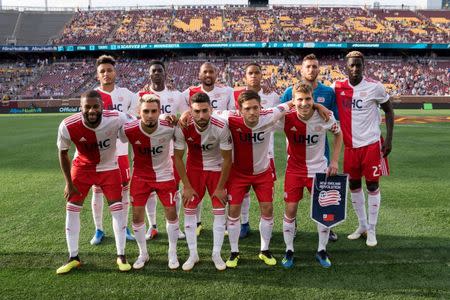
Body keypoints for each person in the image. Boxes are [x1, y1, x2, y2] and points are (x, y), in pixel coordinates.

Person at [213, 90, 293, 268]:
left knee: (268, 208)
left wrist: (318, 106)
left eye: (255, 107)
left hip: (262, 172)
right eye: (247, 108)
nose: (252, 112)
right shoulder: (230, 118)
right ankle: (234, 252)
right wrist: (186, 113)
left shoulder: (270, 115)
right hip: (238, 174)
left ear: (260, 107)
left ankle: (264, 250)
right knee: (233, 211)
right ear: (239, 110)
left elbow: (291, 104)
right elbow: (208, 112)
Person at [56, 90, 133, 274]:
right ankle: (73, 257)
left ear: (102, 107)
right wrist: (68, 182)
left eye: (95, 106)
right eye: (87, 107)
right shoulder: (68, 125)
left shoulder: (117, 117)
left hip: (109, 167)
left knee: (117, 209)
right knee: (72, 208)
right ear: (80, 108)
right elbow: (63, 152)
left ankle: (121, 255)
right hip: (82, 168)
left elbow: (139, 125)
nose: (91, 110)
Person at [275, 83, 343, 269]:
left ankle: (322, 250)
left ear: (313, 99)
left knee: (323, 212)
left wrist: (334, 161)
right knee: (290, 210)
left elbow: (339, 135)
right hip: (294, 171)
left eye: (308, 99)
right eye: (299, 99)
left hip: (319, 170)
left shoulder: (324, 115)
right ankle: (289, 250)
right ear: (293, 100)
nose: (304, 103)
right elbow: (267, 117)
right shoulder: (285, 117)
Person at [331, 51, 394, 247]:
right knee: (354, 186)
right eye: (352, 65)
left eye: (359, 65)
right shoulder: (338, 87)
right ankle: (362, 226)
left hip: (371, 146)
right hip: (350, 147)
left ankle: (372, 230)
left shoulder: (375, 87)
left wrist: (389, 139)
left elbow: (389, 111)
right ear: (346, 67)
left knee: (373, 186)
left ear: (363, 66)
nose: (355, 69)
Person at [280, 54, 339, 242]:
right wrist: (315, 104)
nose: (311, 70)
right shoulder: (290, 91)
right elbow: (281, 109)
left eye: (315, 66)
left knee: (323, 197)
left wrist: (319, 105)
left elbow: (334, 120)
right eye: (308, 66)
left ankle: (327, 229)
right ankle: (293, 225)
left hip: (321, 151)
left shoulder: (328, 92)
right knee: (292, 201)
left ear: (318, 68)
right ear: (302, 69)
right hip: (297, 150)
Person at [119, 93, 180, 270]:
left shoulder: (169, 127)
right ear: (140, 111)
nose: (150, 115)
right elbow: (121, 140)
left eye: (154, 111)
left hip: (165, 176)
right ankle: (143, 253)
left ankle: (172, 252)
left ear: (159, 111)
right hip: (140, 177)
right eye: (146, 111)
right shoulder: (129, 129)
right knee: (137, 216)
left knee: (171, 214)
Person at [174, 92, 232, 271]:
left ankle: (216, 254)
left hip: (216, 170)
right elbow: (177, 158)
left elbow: (228, 159)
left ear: (211, 109)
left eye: (205, 111)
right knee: (189, 211)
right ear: (190, 111)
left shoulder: (221, 126)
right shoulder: (183, 125)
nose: (201, 115)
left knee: (219, 212)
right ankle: (193, 254)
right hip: (194, 171)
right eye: (196, 111)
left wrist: (221, 187)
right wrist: (187, 186)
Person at [182, 62, 234, 236]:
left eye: (211, 71)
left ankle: (225, 224)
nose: (208, 74)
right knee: (195, 193)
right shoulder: (188, 92)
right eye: (205, 72)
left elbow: (232, 113)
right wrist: (183, 114)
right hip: (196, 152)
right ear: (199, 74)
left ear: (216, 73)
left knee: (221, 192)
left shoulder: (227, 91)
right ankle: (196, 222)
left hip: (218, 145)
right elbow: (182, 113)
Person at [91, 55, 139, 245]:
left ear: (115, 72)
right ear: (97, 75)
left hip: (120, 152)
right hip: (100, 153)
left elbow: (135, 118)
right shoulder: (92, 95)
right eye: (102, 71)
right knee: (98, 191)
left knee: (124, 190)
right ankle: (99, 229)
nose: (106, 74)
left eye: (109, 70)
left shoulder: (127, 94)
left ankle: (124, 226)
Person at [233, 62, 280, 239]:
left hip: (267, 152)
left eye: (257, 73)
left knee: (267, 193)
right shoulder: (236, 94)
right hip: (243, 152)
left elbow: (283, 113)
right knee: (243, 191)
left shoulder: (272, 95)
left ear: (262, 75)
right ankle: (244, 223)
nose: (253, 76)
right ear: (245, 76)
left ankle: (279, 223)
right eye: (250, 73)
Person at [140, 60, 186, 241]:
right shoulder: (141, 94)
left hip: (172, 150)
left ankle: (177, 225)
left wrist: (175, 118)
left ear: (165, 74)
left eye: (160, 70)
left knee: (175, 189)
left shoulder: (176, 94)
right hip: (147, 151)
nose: (157, 73)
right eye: (154, 71)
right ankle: (152, 226)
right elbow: (136, 116)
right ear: (149, 75)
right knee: (149, 191)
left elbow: (184, 115)